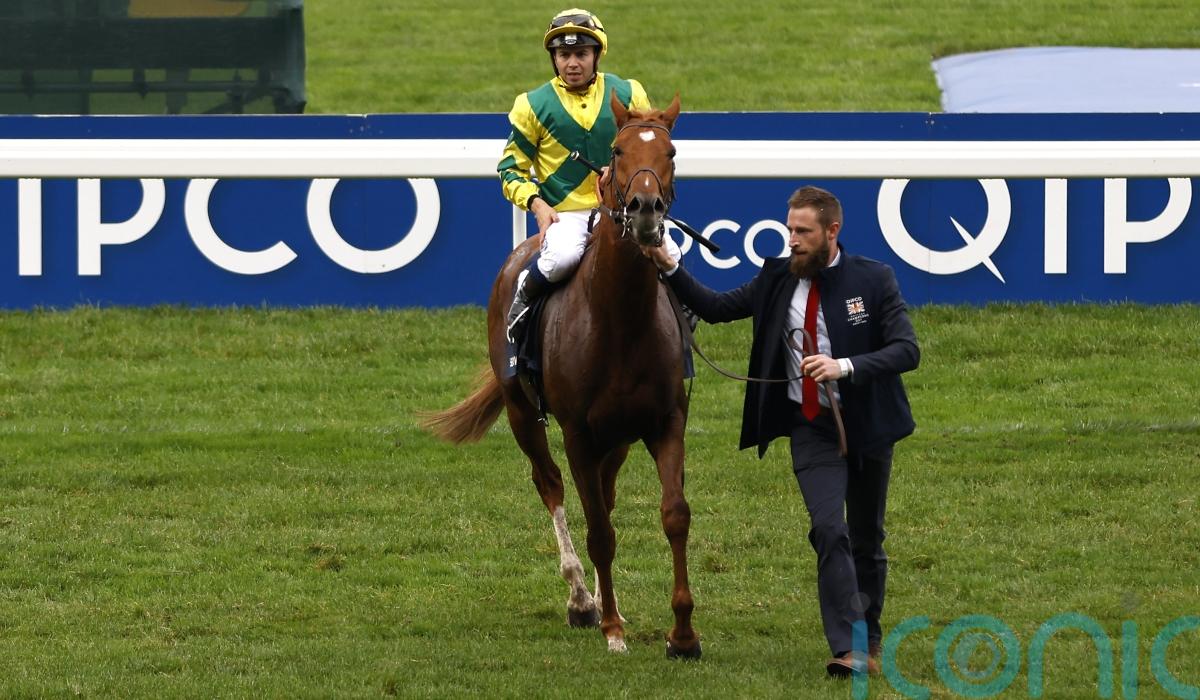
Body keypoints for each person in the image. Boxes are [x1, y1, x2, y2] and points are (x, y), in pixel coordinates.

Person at [642, 185, 920, 678]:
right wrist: (669, 266)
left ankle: (870, 635)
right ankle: (850, 649)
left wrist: (844, 366)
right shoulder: (777, 277)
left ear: (832, 231)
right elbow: (716, 307)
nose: (792, 240)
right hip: (810, 427)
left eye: (803, 232)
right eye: (790, 229)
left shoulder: (874, 279)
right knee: (829, 529)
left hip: (870, 427)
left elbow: (906, 350)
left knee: (866, 539)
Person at [497, 8, 682, 342]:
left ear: (596, 55)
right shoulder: (531, 105)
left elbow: (646, 149)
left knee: (671, 255)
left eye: (581, 54)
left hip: (619, 210)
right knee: (561, 259)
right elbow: (511, 170)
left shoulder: (628, 92)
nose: (572, 63)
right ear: (554, 58)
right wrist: (538, 205)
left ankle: (682, 331)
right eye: (563, 55)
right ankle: (522, 302)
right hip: (566, 214)